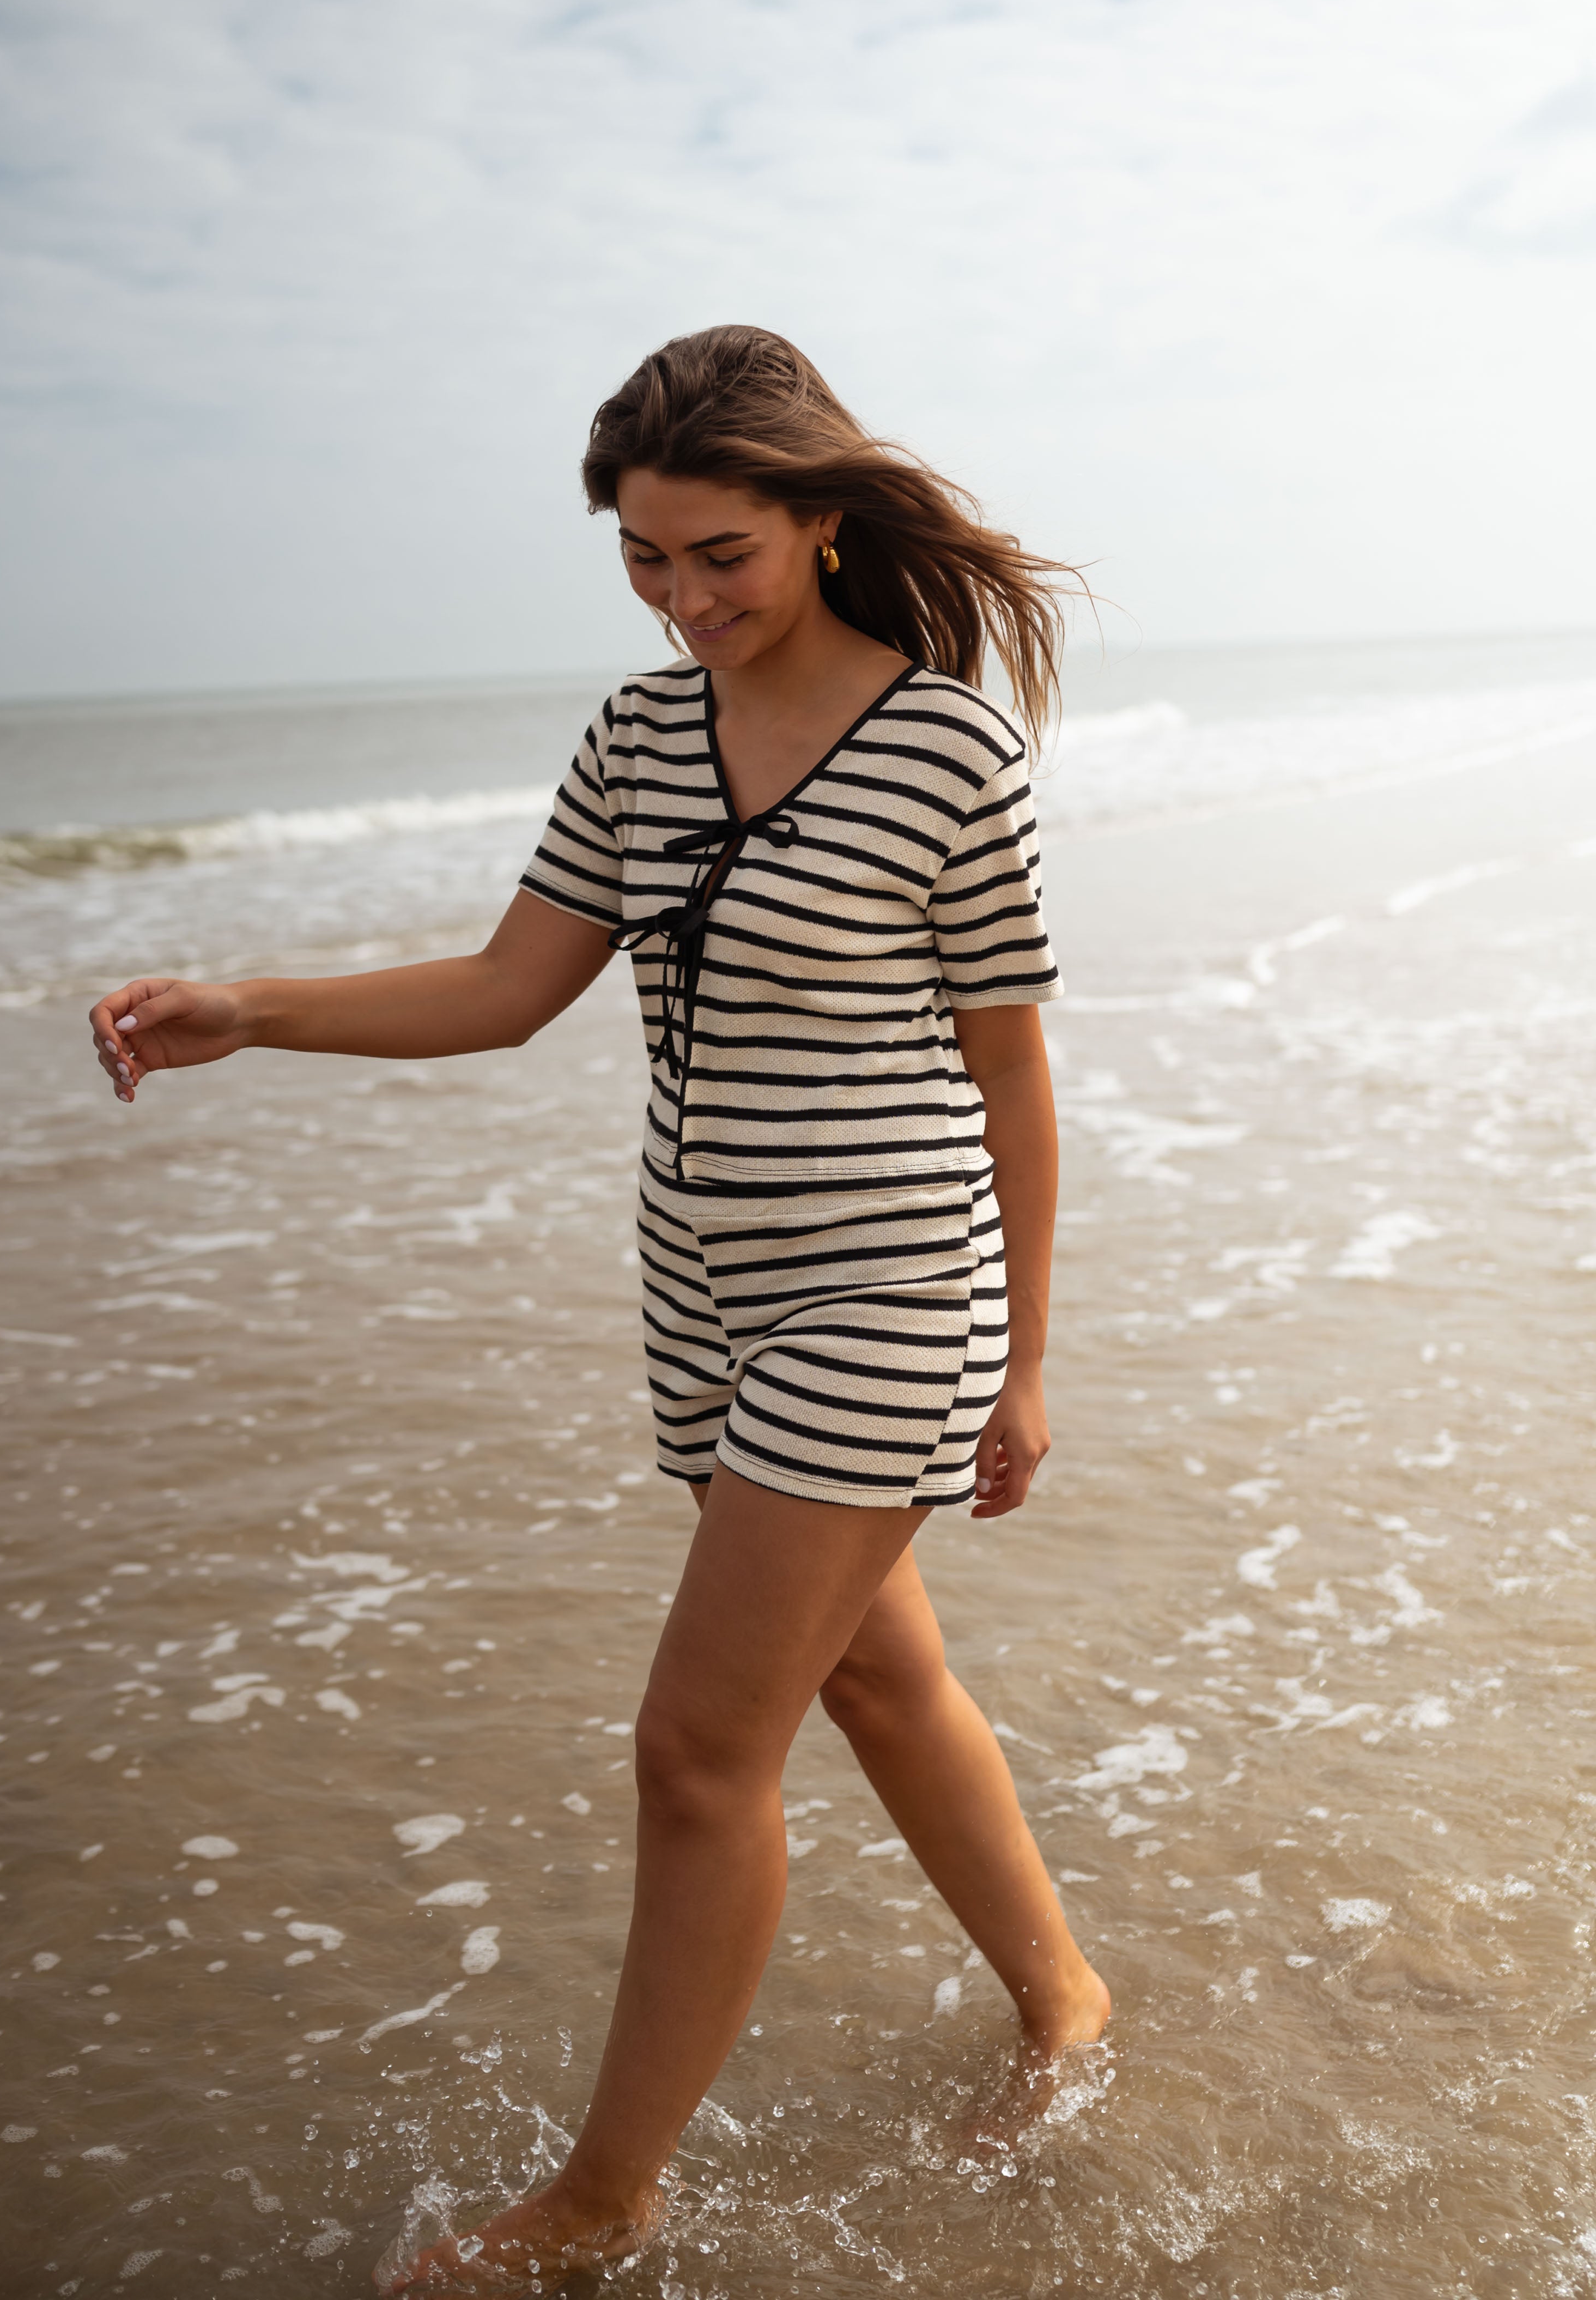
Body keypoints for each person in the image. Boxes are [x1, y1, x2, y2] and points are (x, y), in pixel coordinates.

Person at [88, 326, 1110, 2290]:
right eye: (645, 561)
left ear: (818, 522)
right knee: (875, 1678)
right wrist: (254, 1009)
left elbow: (1011, 1073)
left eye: (718, 553)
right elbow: (508, 986)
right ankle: (1068, 1998)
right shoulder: (638, 737)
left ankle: (598, 2203)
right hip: (704, 1284)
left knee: (693, 1749)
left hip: (890, 1289)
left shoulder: (945, 750)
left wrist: (1030, 1360)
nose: (685, 597)